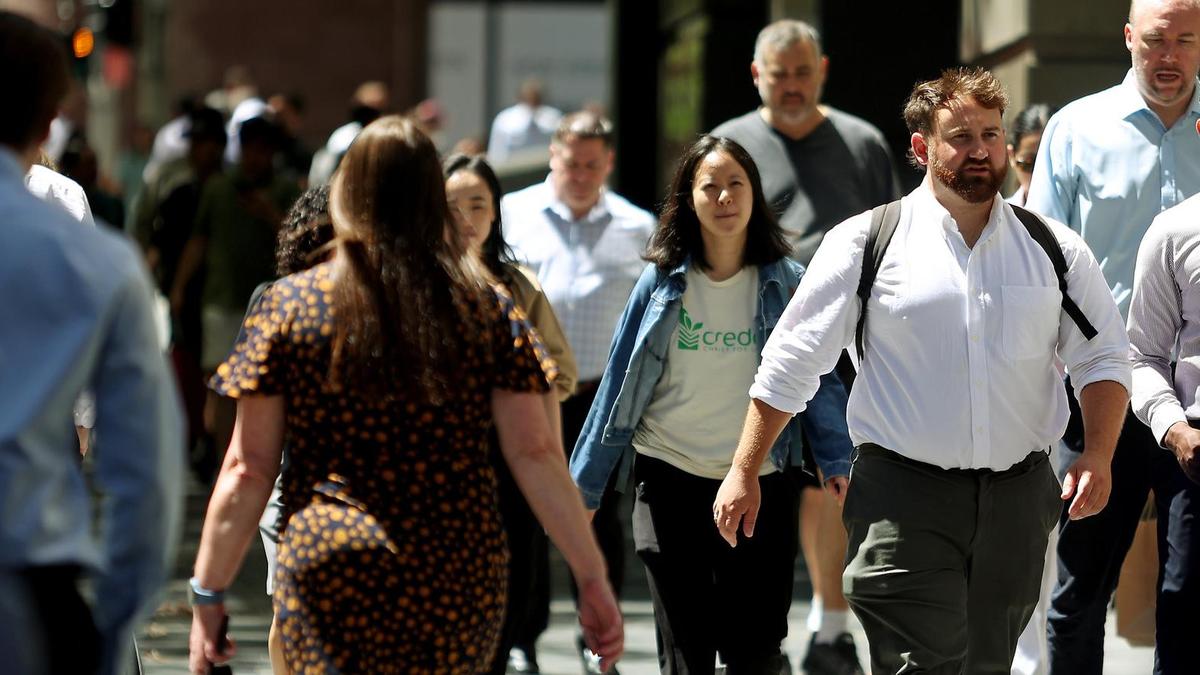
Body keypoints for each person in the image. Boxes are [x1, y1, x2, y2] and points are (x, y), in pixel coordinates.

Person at [713, 67, 1132, 675]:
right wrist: (743, 469)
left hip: (1018, 501)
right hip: (901, 500)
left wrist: (1098, 453)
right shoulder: (865, 243)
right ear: (921, 146)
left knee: (987, 665)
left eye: (991, 135)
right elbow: (791, 362)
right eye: (961, 137)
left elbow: (1103, 357)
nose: (981, 150)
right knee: (922, 663)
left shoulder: (1054, 249)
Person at [186, 115, 623, 674]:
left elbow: (248, 468)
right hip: (454, 570)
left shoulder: (288, 306)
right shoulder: (485, 307)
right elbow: (536, 452)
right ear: (432, 199)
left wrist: (209, 590)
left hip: (330, 566)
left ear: (346, 194)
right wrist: (591, 577)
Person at [570, 135, 852, 674]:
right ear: (688, 200)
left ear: (754, 194)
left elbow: (817, 379)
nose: (724, 197)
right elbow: (618, 384)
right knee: (686, 654)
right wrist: (583, 489)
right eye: (710, 187)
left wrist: (836, 458)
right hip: (669, 480)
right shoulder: (660, 281)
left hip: (761, 484)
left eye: (735, 184)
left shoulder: (787, 281)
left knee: (756, 652)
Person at [711, 20, 899, 672]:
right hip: (747, 336)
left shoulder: (862, 142)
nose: (791, 86)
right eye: (778, 75)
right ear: (755, 75)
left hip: (841, 340)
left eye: (801, 73)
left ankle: (829, 626)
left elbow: (895, 238)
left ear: (821, 71)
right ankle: (750, 635)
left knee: (830, 478)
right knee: (756, 472)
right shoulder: (730, 145)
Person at [0, 11, 184, 675]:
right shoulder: (98, 261)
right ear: (49, 120)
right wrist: (109, 630)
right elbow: (147, 477)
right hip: (27, 589)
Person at [1024, 2, 1200, 671]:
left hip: (1193, 400)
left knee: (1188, 595)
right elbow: (1041, 264)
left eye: (1185, 40)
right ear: (1129, 38)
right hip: (1101, 394)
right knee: (1080, 592)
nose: (1169, 56)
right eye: (1155, 40)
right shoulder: (1076, 129)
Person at [501, 110, 656, 673]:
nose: (582, 175)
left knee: (598, 513)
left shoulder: (636, 226)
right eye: (572, 164)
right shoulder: (513, 214)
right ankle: (521, 637)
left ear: (608, 163)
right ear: (553, 156)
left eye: (593, 165)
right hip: (527, 393)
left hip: (599, 397)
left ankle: (596, 638)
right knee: (524, 514)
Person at [443, 152, 579, 675]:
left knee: (514, 571)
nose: (466, 218)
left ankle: (516, 645)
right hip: (437, 463)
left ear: (496, 211)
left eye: (478, 204)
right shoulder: (412, 283)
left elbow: (560, 372)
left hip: (511, 456)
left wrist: (512, 396)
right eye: (453, 205)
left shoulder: (519, 287)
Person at [170, 115, 300, 469]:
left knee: (263, 388)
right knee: (221, 387)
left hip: (270, 303)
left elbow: (298, 242)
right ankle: (221, 464)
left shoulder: (286, 189)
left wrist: (269, 213)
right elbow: (199, 239)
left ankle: (259, 464)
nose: (255, 158)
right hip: (221, 300)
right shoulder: (219, 188)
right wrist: (179, 287)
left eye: (262, 151)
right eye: (249, 150)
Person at [1122, 157, 1200, 675]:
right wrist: (1175, 430)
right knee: (1185, 625)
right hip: (1196, 458)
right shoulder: (1175, 231)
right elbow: (1140, 355)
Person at [308, 81, 389, 186]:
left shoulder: (387, 135)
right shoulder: (345, 136)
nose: (376, 115)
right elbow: (326, 174)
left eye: (381, 108)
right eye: (369, 109)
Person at [488, 78, 563, 165]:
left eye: (536, 97)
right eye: (529, 97)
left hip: (545, 166)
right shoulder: (505, 119)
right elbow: (496, 152)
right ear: (521, 97)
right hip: (514, 167)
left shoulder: (554, 117)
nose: (532, 100)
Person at [1006, 104, 1054, 208]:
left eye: (1052, 163)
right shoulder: (999, 216)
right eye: (1029, 162)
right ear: (1011, 156)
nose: (1040, 174)